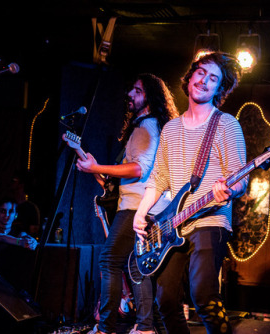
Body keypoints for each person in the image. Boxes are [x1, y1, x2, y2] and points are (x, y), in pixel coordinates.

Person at [133, 52, 247, 334]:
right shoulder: (171, 129)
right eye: (201, 73)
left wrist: (228, 190)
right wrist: (141, 212)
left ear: (219, 89)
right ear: (190, 77)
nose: (204, 81)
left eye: (213, 79)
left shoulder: (226, 124)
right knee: (166, 300)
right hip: (174, 224)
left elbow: (240, 178)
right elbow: (159, 179)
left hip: (211, 220)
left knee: (204, 295)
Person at [77, 73, 178, 334]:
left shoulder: (147, 127)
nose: (130, 95)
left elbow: (138, 170)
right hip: (143, 204)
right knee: (137, 266)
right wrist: (96, 171)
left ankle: (106, 328)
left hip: (137, 206)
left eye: (137, 91)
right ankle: (146, 326)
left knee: (109, 261)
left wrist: (96, 166)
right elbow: (121, 181)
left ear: (150, 97)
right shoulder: (149, 126)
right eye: (131, 90)